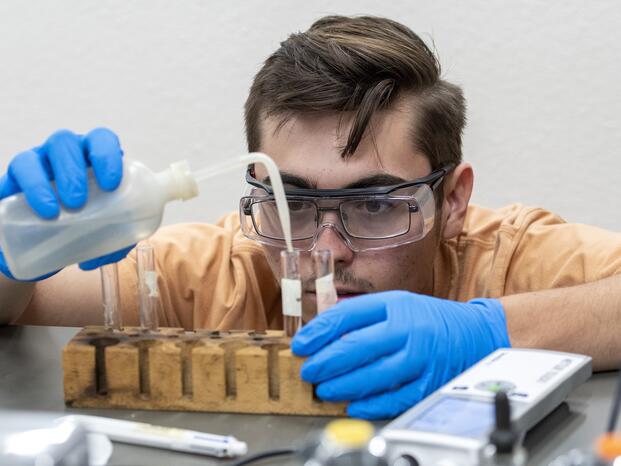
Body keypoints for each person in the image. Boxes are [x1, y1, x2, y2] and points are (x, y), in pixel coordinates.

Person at [1, 15, 621, 420]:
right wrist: (17, 238)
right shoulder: (222, 270)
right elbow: (16, 305)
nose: (325, 250)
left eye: (376, 204)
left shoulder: (510, 259)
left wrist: (486, 331)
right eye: (292, 203)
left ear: (452, 201)